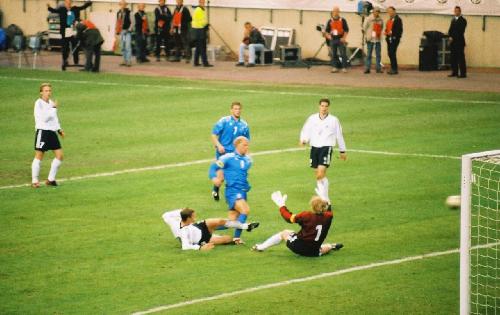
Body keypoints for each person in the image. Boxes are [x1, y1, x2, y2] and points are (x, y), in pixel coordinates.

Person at [252, 189, 343, 257]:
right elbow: (328, 207)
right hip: (314, 252)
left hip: (299, 247)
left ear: (312, 206)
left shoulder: (306, 215)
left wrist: (281, 205)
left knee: (284, 233)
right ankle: (331, 246)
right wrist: (325, 197)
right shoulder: (329, 216)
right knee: (323, 247)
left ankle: (261, 247)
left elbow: (288, 218)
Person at [300, 98, 346, 202]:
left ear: (328, 107)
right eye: (322, 106)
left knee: (320, 173)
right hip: (314, 148)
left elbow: (339, 135)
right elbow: (306, 129)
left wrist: (342, 151)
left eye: (326, 106)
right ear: (319, 106)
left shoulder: (334, 120)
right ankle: (323, 196)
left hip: (326, 148)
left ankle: (325, 198)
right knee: (318, 174)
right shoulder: (312, 118)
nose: (324, 108)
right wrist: (304, 140)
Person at [208, 136, 252, 244]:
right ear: (237, 145)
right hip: (232, 191)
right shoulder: (228, 158)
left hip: (242, 192)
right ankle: (236, 238)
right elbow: (213, 168)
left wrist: (246, 186)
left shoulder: (248, 160)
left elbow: (242, 174)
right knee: (245, 210)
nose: (247, 147)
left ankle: (206, 228)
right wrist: (214, 178)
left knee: (232, 222)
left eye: (248, 145)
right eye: (244, 145)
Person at [162, 208, 259, 251]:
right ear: (188, 218)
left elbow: (165, 215)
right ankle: (233, 241)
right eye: (193, 217)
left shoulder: (178, 220)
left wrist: (180, 211)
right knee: (228, 239)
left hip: (199, 227)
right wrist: (200, 248)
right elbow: (185, 246)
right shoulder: (183, 231)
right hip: (202, 239)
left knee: (220, 221)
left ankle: (246, 226)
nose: (195, 218)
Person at [210, 102, 250, 201]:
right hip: (222, 153)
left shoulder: (244, 125)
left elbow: (246, 141)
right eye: (235, 109)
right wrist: (219, 145)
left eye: (239, 109)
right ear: (231, 110)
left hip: (235, 155)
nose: (237, 111)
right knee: (221, 177)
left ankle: (232, 196)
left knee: (234, 176)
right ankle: (215, 189)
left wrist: (246, 153)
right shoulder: (224, 121)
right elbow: (214, 134)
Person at [31, 83, 65, 188]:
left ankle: (50, 180)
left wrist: (59, 129)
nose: (48, 93)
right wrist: (53, 108)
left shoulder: (51, 103)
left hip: (51, 132)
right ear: (41, 92)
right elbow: (45, 118)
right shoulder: (39, 103)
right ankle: (35, 181)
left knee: (60, 156)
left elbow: (54, 119)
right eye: (46, 91)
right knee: (39, 156)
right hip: (42, 132)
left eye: (49, 90)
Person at [47, 0, 92, 71]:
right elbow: (54, 11)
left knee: (75, 44)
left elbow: (82, 7)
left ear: (71, 3)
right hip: (65, 31)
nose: (69, 4)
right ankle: (65, 61)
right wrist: (49, 7)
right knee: (65, 47)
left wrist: (88, 4)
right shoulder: (62, 9)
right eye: (67, 2)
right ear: (65, 3)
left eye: (70, 2)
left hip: (73, 30)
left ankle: (76, 59)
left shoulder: (74, 8)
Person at [324, 6, 349, 73]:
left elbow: (346, 30)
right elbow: (326, 32)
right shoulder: (330, 21)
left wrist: (344, 38)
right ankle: (335, 67)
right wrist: (329, 37)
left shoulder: (343, 20)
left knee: (343, 54)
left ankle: (344, 67)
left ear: (339, 12)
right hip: (333, 40)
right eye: (335, 11)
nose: (336, 13)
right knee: (333, 54)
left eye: (337, 11)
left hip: (340, 39)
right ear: (332, 12)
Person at [191, 0, 212, 67]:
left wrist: (206, 25)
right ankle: (205, 63)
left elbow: (202, 20)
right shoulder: (198, 10)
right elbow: (200, 21)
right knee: (202, 47)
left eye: (204, 2)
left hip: (199, 29)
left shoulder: (201, 9)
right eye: (202, 2)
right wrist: (206, 25)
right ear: (199, 2)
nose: (203, 3)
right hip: (199, 30)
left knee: (198, 47)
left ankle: (196, 62)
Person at [448, 6, 467, 78]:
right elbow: (450, 30)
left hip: (459, 42)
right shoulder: (453, 20)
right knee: (453, 58)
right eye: (455, 11)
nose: (456, 12)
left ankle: (463, 74)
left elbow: (460, 31)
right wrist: (450, 36)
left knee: (461, 58)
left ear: (460, 12)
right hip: (453, 42)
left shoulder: (463, 20)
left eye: (457, 11)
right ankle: (454, 72)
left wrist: (453, 37)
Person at [363, 8, 383, 74]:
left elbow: (381, 27)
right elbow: (364, 28)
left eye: (378, 12)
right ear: (373, 12)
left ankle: (378, 68)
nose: (377, 13)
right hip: (370, 39)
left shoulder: (380, 20)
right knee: (369, 54)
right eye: (376, 11)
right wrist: (366, 36)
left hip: (377, 39)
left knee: (378, 54)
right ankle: (367, 68)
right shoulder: (368, 19)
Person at [385, 6, 403, 75]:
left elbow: (399, 30)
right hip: (389, 38)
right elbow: (387, 28)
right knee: (390, 53)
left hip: (394, 39)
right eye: (388, 12)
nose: (389, 13)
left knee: (392, 53)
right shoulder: (390, 19)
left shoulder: (398, 19)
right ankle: (392, 67)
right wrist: (386, 32)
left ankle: (394, 69)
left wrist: (394, 35)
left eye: (390, 11)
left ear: (394, 11)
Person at [116, 0, 132, 67]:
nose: (123, 5)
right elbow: (117, 22)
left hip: (127, 32)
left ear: (126, 5)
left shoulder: (129, 12)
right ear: (119, 5)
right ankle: (124, 60)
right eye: (121, 4)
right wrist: (116, 31)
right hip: (121, 31)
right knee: (122, 46)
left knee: (127, 46)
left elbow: (132, 22)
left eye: (124, 4)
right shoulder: (118, 13)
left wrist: (129, 30)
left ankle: (128, 61)